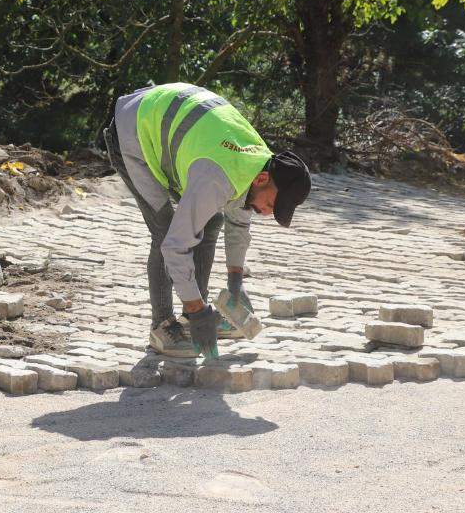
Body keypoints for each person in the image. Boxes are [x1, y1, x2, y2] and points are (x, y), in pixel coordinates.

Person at [101, 83, 311, 357]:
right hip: (133, 134)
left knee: (211, 221)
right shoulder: (218, 177)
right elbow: (176, 246)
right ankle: (162, 326)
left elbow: (238, 220)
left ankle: (190, 319)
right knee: (165, 231)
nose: (269, 212)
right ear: (262, 180)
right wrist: (198, 311)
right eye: (271, 204)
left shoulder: (257, 162)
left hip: (177, 135)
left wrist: (235, 280)